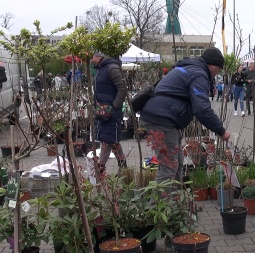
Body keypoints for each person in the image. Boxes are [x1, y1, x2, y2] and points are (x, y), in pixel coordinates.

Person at [140, 47, 231, 183]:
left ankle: (174, 202)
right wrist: (221, 131)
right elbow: (202, 110)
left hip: (162, 118)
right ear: (212, 65)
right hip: (162, 120)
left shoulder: (190, 68)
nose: (218, 72)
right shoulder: (198, 74)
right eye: (219, 68)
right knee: (169, 168)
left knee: (177, 165)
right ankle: (158, 204)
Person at [91, 52, 128, 174]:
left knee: (108, 140)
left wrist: (114, 106)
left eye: (93, 57)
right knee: (111, 140)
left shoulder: (112, 68)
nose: (91, 60)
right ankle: (123, 168)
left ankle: (100, 168)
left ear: (100, 57)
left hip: (110, 112)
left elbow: (122, 89)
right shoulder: (100, 69)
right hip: (102, 111)